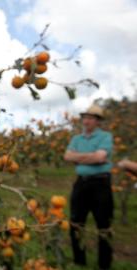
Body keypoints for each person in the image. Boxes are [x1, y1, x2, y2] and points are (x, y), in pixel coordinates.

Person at [64, 104, 113, 270]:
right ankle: (79, 261)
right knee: (76, 224)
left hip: (101, 184)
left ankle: (104, 265)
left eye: (91, 118)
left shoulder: (106, 136)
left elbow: (101, 157)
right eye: (85, 117)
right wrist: (91, 157)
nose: (86, 121)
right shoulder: (76, 139)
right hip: (81, 183)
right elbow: (67, 156)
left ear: (98, 121)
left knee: (104, 225)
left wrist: (78, 157)